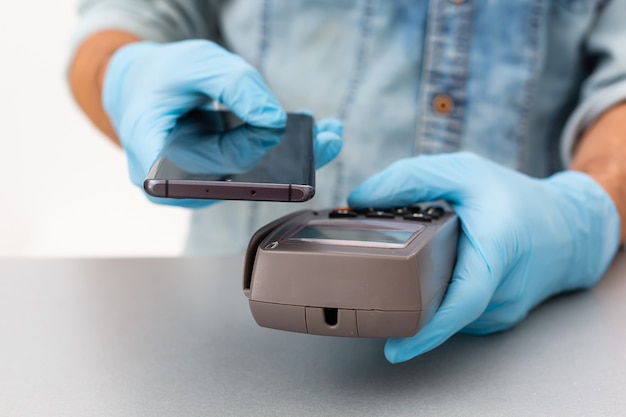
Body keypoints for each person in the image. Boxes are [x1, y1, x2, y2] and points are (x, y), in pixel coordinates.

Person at [68, 0, 626, 363]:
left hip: (526, 340)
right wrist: (125, 74)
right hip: (226, 340)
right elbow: (121, 20)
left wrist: (583, 209)